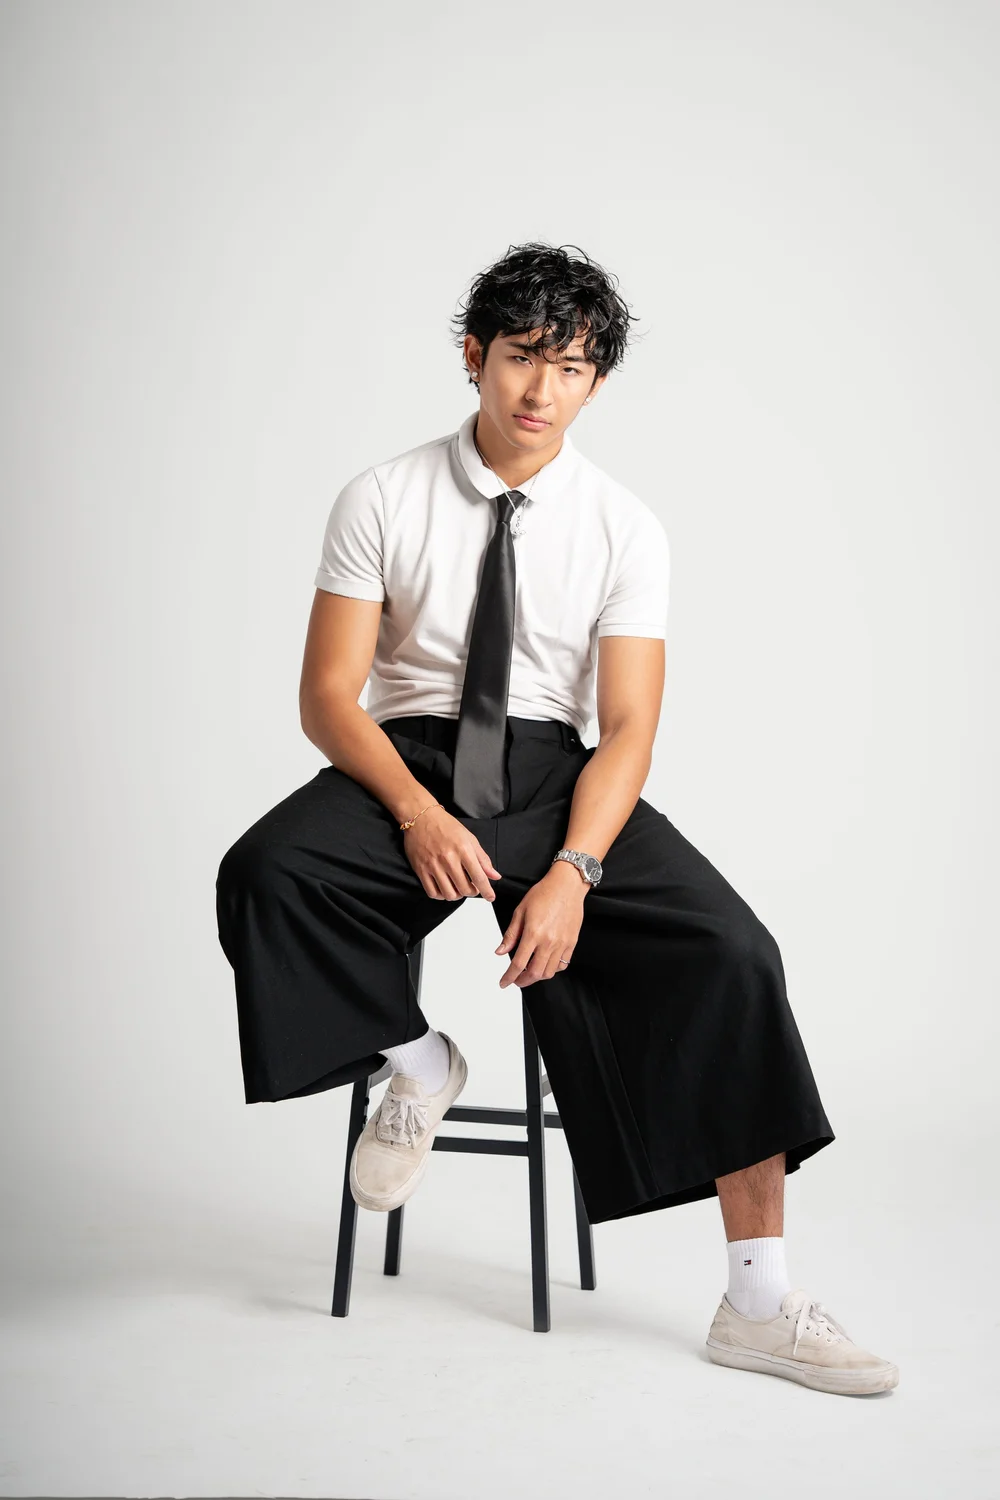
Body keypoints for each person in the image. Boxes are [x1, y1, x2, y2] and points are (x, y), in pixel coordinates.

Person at [215, 241, 898, 1397]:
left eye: (571, 366)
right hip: (408, 753)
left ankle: (757, 1303)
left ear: (596, 383)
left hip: (550, 774)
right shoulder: (382, 496)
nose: (542, 388)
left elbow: (627, 727)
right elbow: (328, 695)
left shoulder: (624, 526)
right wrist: (415, 812)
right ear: (473, 356)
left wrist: (576, 869)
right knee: (267, 871)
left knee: (735, 953)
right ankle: (418, 1064)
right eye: (523, 356)